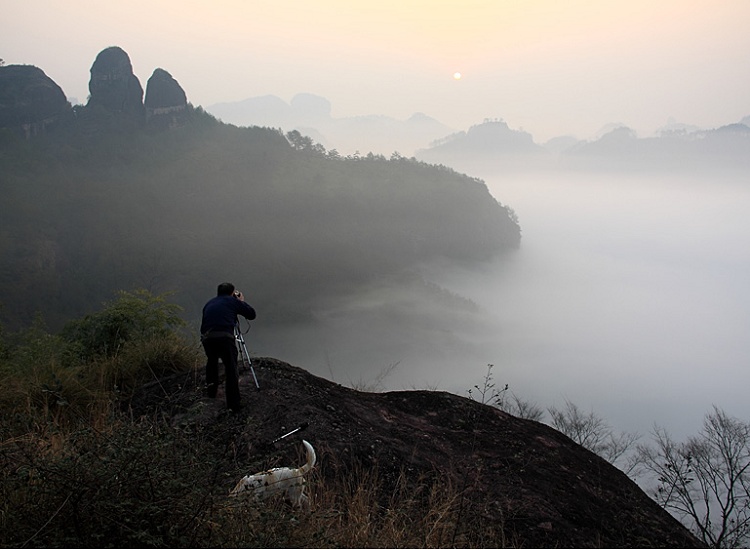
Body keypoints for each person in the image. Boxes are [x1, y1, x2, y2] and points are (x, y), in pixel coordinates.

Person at [200, 282, 257, 412]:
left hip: (207, 338)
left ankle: (211, 393)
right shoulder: (233, 301)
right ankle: (233, 404)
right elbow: (251, 315)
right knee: (231, 368)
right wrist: (241, 301)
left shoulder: (209, 303)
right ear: (232, 293)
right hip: (225, 338)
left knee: (212, 362)